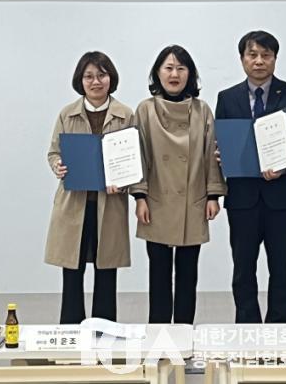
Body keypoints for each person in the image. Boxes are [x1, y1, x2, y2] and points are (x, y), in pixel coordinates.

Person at [215, 30, 286, 323]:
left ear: (275, 58)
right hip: (242, 198)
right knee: (243, 268)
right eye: (252, 55)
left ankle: (280, 328)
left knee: (281, 267)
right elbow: (221, 142)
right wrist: (221, 154)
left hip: (280, 197)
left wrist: (285, 165)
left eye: (265, 55)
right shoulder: (227, 98)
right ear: (242, 58)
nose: (259, 61)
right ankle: (247, 327)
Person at [130, 45, 227, 324]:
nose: (175, 74)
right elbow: (138, 154)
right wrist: (139, 197)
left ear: (190, 74)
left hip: (193, 199)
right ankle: (158, 331)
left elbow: (211, 153)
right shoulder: (145, 109)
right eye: (169, 68)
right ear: (158, 73)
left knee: (188, 273)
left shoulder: (202, 110)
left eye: (181, 68)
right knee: (158, 272)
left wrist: (213, 195)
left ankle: (184, 330)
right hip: (155, 201)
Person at [45, 51, 134, 324]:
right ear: (80, 80)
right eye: (89, 76)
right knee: (72, 273)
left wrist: (124, 181)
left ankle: (104, 333)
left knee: (106, 272)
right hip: (74, 205)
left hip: (110, 205)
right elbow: (54, 152)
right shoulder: (67, 114)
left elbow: (134, 160)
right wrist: (58, 166)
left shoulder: (126, 115)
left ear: (111, 78)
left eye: (101, 75)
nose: (96, 82)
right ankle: (71, 333)